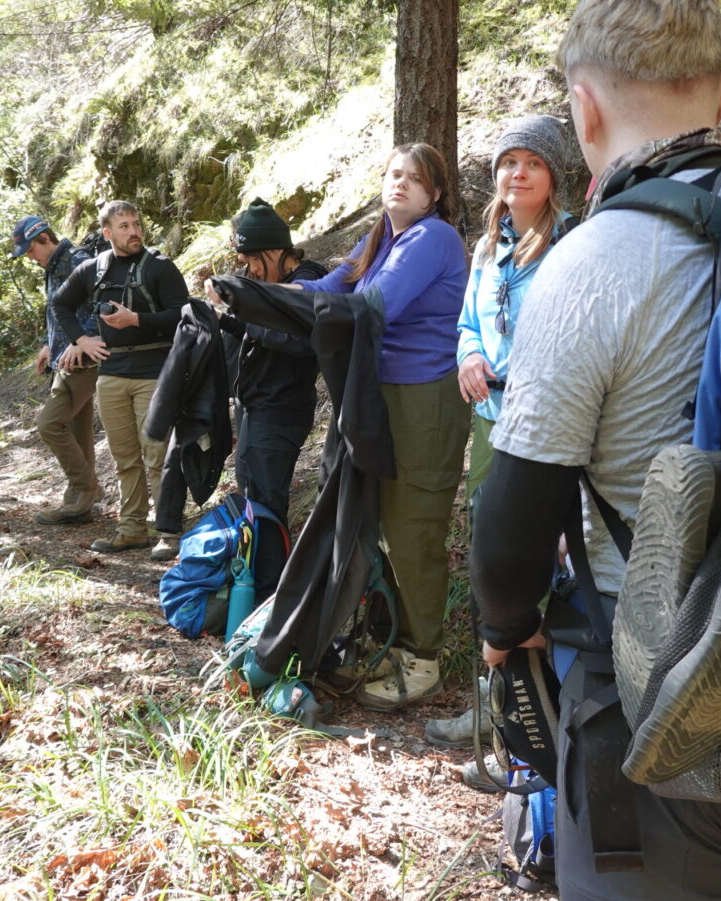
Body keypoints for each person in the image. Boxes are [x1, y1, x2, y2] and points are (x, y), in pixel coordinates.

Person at [469, 1, 721, 898]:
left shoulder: (594, 261)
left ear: (584, 111)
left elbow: (516, 511)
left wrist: (502, 633)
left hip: (647, 673)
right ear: (720, 90)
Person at [293, 143, 470, 710]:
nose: (401, 185)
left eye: (415, 179)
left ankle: (424, 658)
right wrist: (267, 297)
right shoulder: (381, 236)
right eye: (394, 175)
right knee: (382, 520)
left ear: (435, 193)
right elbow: (331, 289)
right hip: (381, 394)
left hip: (426, 396)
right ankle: (394, 642)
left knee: (414, 526)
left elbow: (373, 303)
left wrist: (303, 307)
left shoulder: (432, 238)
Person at [426, 115, 577, 760]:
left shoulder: (571, 244)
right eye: (509, 162)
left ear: (554, 176)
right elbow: (468, 323)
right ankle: (497, 706)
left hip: (550, 428)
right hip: (492, 426)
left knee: (540, 567)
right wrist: (467, 358)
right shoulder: (487, 248)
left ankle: (548, 715)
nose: (518, 174)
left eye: (533, 164)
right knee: (493, 567)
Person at [50, 201, 188, 557]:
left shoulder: (160, 267)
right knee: (124, 457)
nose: (134, 231)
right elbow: (59, 304)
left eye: (136, 224)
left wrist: (136, 320)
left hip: (155, 372)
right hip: (110, 375)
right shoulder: (92, 269)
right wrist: (81, 339)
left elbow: (182, 315)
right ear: (108, 233)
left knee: (156, 453)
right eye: (124, 226)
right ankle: (131, 529)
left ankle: (169, 532)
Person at [219, 198, 329, 530]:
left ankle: (273, 577)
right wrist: (224, 319)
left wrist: (245, 318)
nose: (249, 269)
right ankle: (255, 573)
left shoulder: (309, 281)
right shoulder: (268, 282)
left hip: (282, 407)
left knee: (267, 499)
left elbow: (296, 340)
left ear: (274, 251)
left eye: (253, 259)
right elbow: (256, 331)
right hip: (253, 404)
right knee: (251, 491)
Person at [10, 215, 100, 525]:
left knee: (50, 424)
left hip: (85, 361)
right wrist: (48, 345)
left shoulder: (78, 260)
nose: (30, 258)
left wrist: (82, 339)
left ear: (43, 239)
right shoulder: (53, 268)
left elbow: (103, 303)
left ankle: (86, 489)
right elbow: (60, 311)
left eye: (31, 250)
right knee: (78, 431)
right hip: (65, 358)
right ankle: (79, 504)